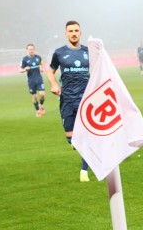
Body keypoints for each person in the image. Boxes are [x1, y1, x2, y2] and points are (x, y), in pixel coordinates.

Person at [47, 20, 91, 182]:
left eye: (76, 30)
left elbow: (101, 68)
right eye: (70, 31)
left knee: (85, 136)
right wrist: (53, 84)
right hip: (66, 99)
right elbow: (50, 71)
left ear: (80, 33)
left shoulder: (88, 51)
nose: (73, 33)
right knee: (71, 139)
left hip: (85, 100)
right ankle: (79, 145)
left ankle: (84, 171)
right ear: (66, 33)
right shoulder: (59, 53)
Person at [19, 43, 46, 117]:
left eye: (32, 49)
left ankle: (41, 105)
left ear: (34, 50)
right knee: (34, 97)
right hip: (31, 81)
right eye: (29, 49)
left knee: (42, 94)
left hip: (39, 79)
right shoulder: (24, 59)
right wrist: (24, 69)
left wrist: (42, 68)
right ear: (27, 50)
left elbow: (42, 64)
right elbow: (20, 70)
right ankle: (37, 111)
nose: (31, 50)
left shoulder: (38, 57)